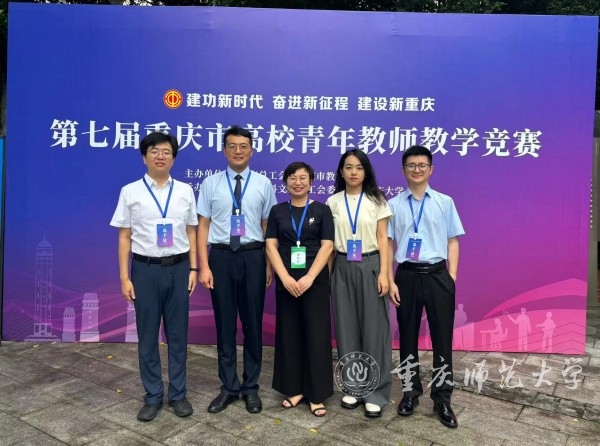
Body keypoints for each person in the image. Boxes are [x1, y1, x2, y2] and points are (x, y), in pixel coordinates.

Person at [110, 131, 198, 421]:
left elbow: (191, 232)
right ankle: (152, 396)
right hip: (145, 270)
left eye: (166, 152)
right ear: (144, 157)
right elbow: (124, 237)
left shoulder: (185, 190)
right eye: (154, 151)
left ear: (173, 158)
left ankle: (178, 394)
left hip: (179, 268)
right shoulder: (130, 191)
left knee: (178, 335)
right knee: (147, 336)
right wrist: (124, 277)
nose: (161, 156)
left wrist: (194, 268)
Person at [197, 125, 277, 414]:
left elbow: (268, 226)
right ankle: (229, 387)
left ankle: (250, 387)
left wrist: (268, 264)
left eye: (243, 146)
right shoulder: (210, 184)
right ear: (224, 150)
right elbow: (202, 226)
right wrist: (203, 265)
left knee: (253, 323)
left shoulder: (263, 184)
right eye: (232, 146)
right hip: (220, 258)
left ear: (251, 150)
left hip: (253, 256)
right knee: (225, 324)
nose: (238, 151)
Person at [388, 144, 465, 429]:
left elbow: (453, 240)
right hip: (406, 276)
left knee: (442, 338)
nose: (417, 169)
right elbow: (388, 244)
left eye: (422, 165)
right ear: (403, 170)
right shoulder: (393, 205)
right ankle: (410, 393)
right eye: (411, 165)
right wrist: (389, 279)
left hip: (437, 275)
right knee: (407, 336)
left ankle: (442, 398)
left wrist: (451, 276)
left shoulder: (445, 202)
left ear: (431, 169)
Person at [326, 149, 392, 418]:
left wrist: (384, 273)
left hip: (370, 265)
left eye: (359, 167)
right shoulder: (332, 201)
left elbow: (384, 239)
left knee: (374, 330)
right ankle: (353, 386)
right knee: (346, 328)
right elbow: (328, 244)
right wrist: (328, 276)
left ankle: (375, 392)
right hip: (341, 266)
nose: (353, 172)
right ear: (341, 172)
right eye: (348, 167)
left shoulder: (377, 200)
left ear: (366, 171)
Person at [265, 161, 334, 418]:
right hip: (287, 282)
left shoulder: (322, 210)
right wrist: (284, 277)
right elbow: (271, 245)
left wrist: (309, 277)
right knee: (289, 335)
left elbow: (327, 245)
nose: (298, 182)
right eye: (292, 177)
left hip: (314, 281)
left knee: (316, 336)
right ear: (285, 182)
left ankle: (316, 394)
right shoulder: (277, 211)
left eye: (303, 178)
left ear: (311, 182)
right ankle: (293, 389)